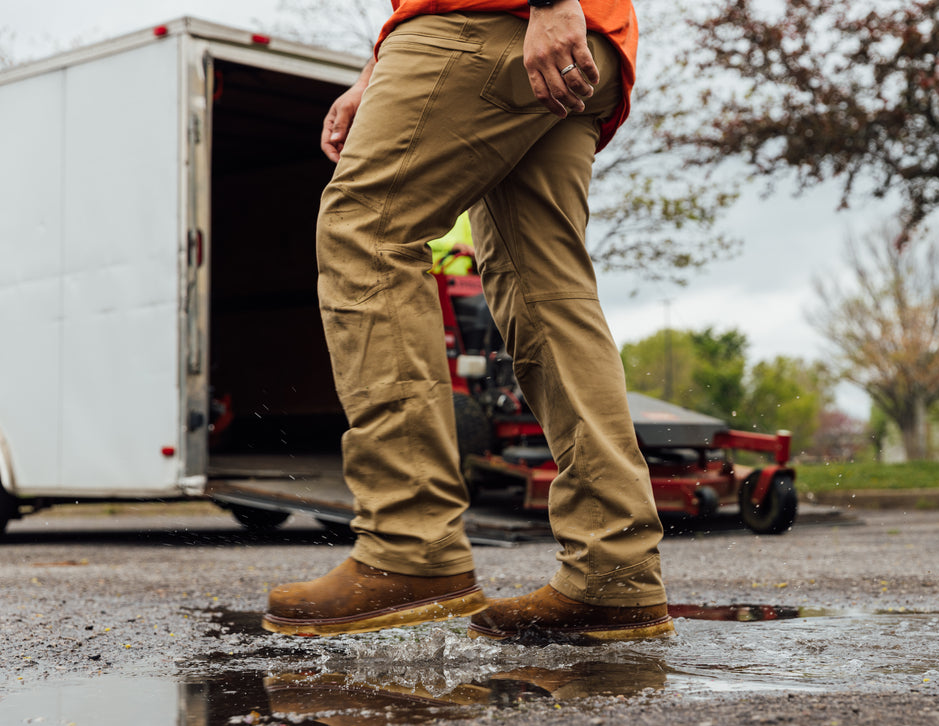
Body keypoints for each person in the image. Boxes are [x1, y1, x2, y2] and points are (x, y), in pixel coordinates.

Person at [262, 0, 673, 643]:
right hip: (578, 38)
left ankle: (409, 543)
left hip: (495, 18)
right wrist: (373, 72)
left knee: (365, 231)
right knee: (547, 290)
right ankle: (614, 571)